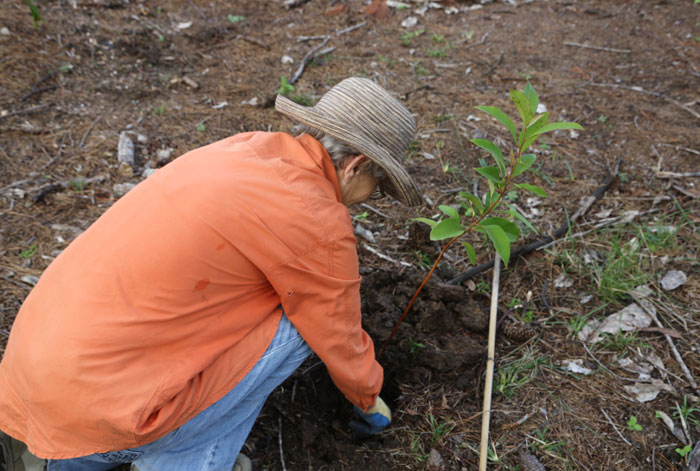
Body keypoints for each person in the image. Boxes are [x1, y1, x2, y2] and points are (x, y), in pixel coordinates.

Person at [0, 77, 422, 471]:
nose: (369, 199)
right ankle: (186, 456)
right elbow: (340, 340)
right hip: (105, 415)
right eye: (377, 184)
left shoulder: (243, 149)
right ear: (356, 166)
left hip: (31, 380)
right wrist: (372, 405)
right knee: (302, 326)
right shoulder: (316, 218)